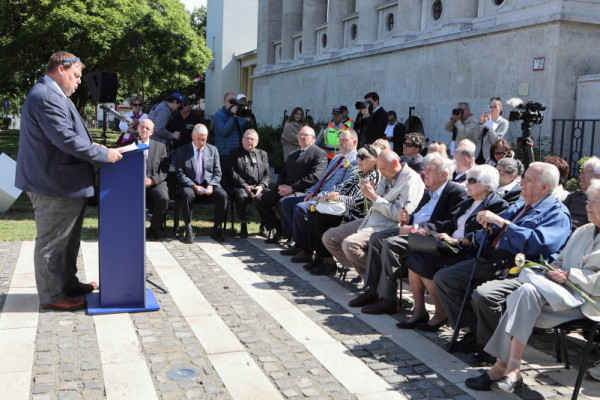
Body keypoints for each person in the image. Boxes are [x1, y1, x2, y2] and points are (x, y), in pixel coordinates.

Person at [466, 179, 600, 393]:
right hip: (558, 294)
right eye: (588, 201)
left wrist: (569, 274)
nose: (588, 206)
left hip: (586, 303)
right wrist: (548, 269)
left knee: (520, 297)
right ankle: (511, 369)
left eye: (594, 202)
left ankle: (501, 367)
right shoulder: (584, 230)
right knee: (525, 293)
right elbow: (559, 261)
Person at [15, 51, 123, 311]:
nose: (78, 82)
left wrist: (92, 144)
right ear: (60, 69)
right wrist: (102, 153)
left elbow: (69, 136)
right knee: (52, 243)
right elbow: (64, 139)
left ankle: (69, 284)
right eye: (75, 76)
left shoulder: (54, 95)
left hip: (64, 182)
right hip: (52, 184)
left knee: (69, 241)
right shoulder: (45, 96)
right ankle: (52, 295)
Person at [434, 162, 571, 358]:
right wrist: (467, 238)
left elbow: (539, 244)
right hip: (495, 261)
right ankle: (476, 332)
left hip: (524, 270)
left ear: (544, 187)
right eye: (523, 177)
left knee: (485, 295)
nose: (521, 182)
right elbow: (492, 232)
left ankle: (491, 348)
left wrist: (504, 223)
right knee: (445, 278)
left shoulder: (557, 213)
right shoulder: (521, 205)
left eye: (528, 180)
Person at [349, 153, 467, 315]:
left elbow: (448, 224)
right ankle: (372, 290)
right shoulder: (429, 192)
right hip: (411, 230)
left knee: (390, 243)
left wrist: (415, 226)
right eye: (424, 169)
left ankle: (388, 299)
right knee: (376, 238)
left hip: (429, 236)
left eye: (430, 170)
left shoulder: (455, 192)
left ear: (444, 175)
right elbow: (418, 213)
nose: (424, 173)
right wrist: (408, 218)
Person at [398, 165, 508, 330]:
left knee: (425, 263)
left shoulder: (497, 205)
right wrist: (428, 231)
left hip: (467, 251)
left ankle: (441, 313)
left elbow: (487, 236)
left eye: (472, 180)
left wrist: (458, 241)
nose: (467, 185)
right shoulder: (468, 202)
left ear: (486, 185)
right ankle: (419, 310)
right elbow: (450, 224)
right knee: (415, 257)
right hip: (449, 244)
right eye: (467, 180)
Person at [321, 150, 425, 278]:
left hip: (386, 225)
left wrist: (373, 196)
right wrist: (368, 193)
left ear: (394, 163)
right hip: (370, 220)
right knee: (329, 237)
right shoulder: (389, 174)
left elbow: (400, 215)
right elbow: (372, 202)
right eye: (379, 169)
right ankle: (372, 271)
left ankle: (374, 279)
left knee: (349, 244)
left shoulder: (410, 180)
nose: (381, 173)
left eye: (383, 169)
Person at [280, 128, 358, 262]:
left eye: (344, 140)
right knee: (286, 203)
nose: (340, 143)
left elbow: (344, 187)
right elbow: (323, 179)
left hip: (330, 201)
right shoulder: (337, 158)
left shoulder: (355, 161)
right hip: (318, 196)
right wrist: (311, 192)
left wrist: (320, 196)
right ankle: (298, 242)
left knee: (302, 208)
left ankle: (307, 249)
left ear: (354, 142)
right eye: (339, 140)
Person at [306, 145, 381, 275]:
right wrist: (331, 195)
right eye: (358, 156)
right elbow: (343, 188)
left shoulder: (373, 176)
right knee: (313, 213)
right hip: (344, 210)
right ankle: (320, 256)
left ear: (374, 161)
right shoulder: (359, 173)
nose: (359, 160)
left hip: (356, 216)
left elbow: (361, 203)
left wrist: (338, 198)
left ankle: (329, 262)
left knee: (320, 220)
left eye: (363, 157)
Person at [254, 126, 328, 243]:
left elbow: (314, 177)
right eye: (299, 135)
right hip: (285, 189)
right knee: (260, 199)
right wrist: (280, 186)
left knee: (283, 203)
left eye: (305, 135)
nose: (301, 137)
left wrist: (291, 188)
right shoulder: (293, 154)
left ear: (313, 138)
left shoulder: (319, 154)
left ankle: (293, 235)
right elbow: (283, 173)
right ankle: (280, 229)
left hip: (303, 191)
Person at [176, 123, 228, 243]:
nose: (202, 142)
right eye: (199, 139)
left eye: (204, 139)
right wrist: (194, 186)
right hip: (190, 184)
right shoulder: (182, 151)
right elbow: (180, 173)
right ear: (192, 136)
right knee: (187, 194)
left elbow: (218, 172)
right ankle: (188, 229)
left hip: (209, 184)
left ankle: (216, 229)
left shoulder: (213, 150)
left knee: (223, 195)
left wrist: (211, 185)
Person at [132, 119, 170, 240]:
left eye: (147, 128)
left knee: (163, 198)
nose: (144, 130)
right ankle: (133, 229)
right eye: (142, 127)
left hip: (155, 182)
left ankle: (154, 229)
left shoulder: (161, 147)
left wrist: (153, 180)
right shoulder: (129, 146)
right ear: (138, 128)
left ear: (152, 132)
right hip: (135, 184)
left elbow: (164, 170)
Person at [228, 129, 270, 238]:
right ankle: (243, 225)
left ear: (257, 142)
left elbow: (267, 174)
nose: (249, 141)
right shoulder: (234, 153)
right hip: (241, 186)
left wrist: (261, 186)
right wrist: (245, 186)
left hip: (259, 186)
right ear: (242, 140)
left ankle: (264, 225)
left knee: (269, 196)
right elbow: (232, 173)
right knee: (241, 196)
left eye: (252, 139)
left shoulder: (263, 154)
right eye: (247, 138)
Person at [213, 92, 247, 176]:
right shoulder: (219, 115)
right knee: (225, 182)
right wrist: (233, 116)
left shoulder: (238, 115)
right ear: (225, 102)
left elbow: (245, 129)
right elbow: (224, 132)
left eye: (236, 101)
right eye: (231, 101)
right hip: (225, 155)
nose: (234, 104)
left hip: (238, 154)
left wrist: (246, 116)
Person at [563, 157, 600, 230]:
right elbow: (557, 212)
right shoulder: (575, 195)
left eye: (586, 173)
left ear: (598, 175)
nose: (580, 177)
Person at [475, 98, 509, 164]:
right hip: (477, 155)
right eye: (490, 106)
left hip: (490, 156)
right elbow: (475, 137)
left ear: (501, 108)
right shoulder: (485, 120)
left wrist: (489, 124)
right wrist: (481, 123)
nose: (492, 108)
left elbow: (495, 140)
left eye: (495, 106)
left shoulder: (503, 122)